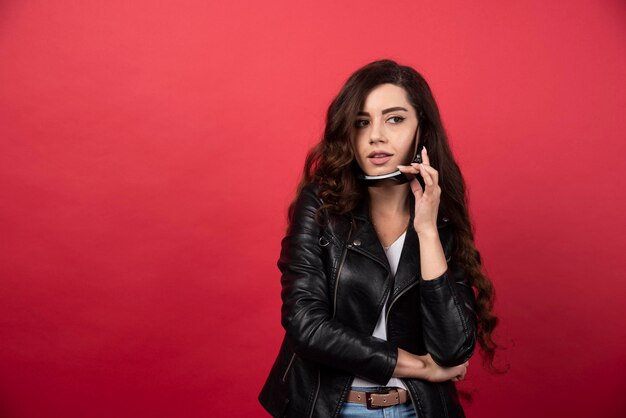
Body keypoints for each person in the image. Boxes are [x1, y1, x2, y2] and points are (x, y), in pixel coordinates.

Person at [259, 59, 499, 418]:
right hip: (329, 408)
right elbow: (305, 324)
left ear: (421, 130)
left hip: (415, 410)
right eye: (361, 122)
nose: (376, 136)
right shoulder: (321, 205)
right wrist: (421, 367)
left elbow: (452, 350)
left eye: (395, 119)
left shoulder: (440, 217)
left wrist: (428, 230)